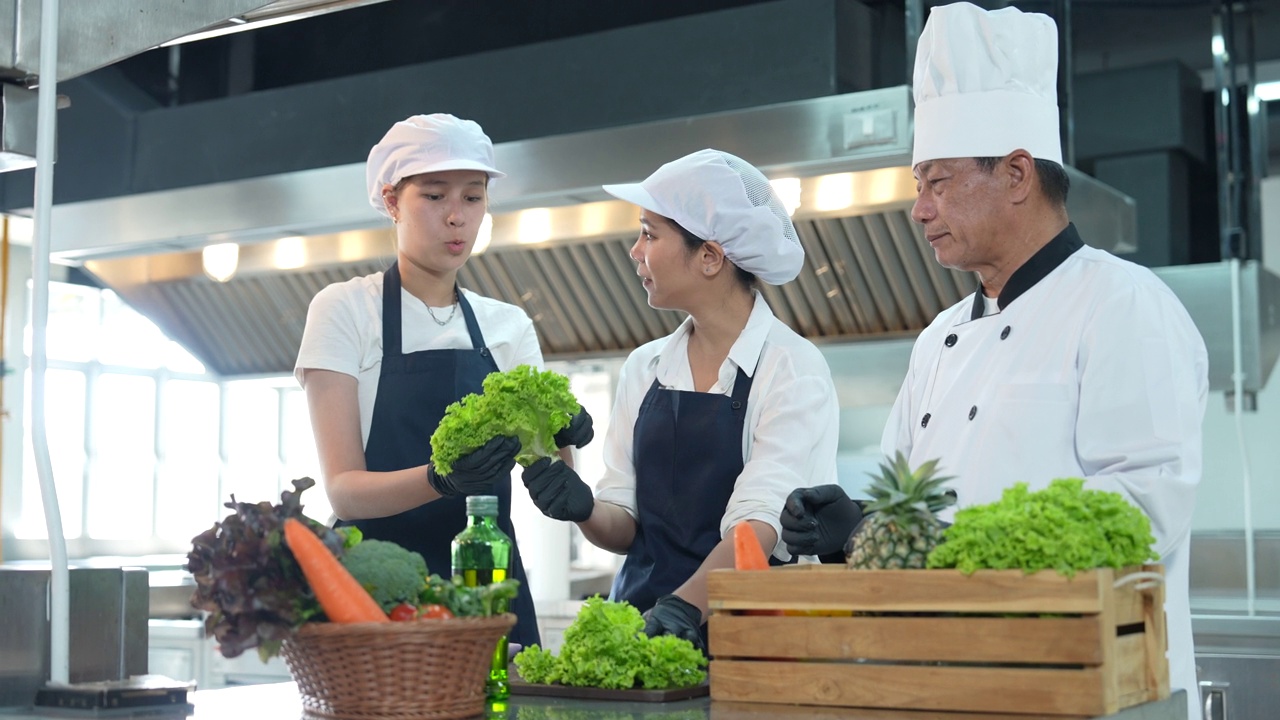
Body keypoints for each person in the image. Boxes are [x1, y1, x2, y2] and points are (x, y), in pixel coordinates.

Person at [778, 4, 1207, 718]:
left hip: (1089, 692)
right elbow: (905, 512)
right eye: (919, 185)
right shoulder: (939, 338)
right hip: (956, 688)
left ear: (1014, 174)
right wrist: (853, 528)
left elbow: (1137, 517)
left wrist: (918, 541)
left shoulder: (1125, 306)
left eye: (936, 182)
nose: (918, 209)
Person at [517, 148, 840, 651]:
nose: (634, 251)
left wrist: (684, 606)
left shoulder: (791, 369)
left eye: (649, 233)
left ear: (709, 257)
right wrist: (581, 505)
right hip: (645, 631)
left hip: (749, 641)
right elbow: (624, 527)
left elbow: (758, 525)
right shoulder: (645, 367)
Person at [294, 113, 593, 648]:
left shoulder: (508, 327)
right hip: (374, 591)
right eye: (434, 197)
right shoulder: (344, 309)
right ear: (392, 202)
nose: (457, 218)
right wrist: (440, 480)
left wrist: (565, 442)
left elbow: (548, 470)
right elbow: (344, 490)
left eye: (473, 198)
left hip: (487, 586)